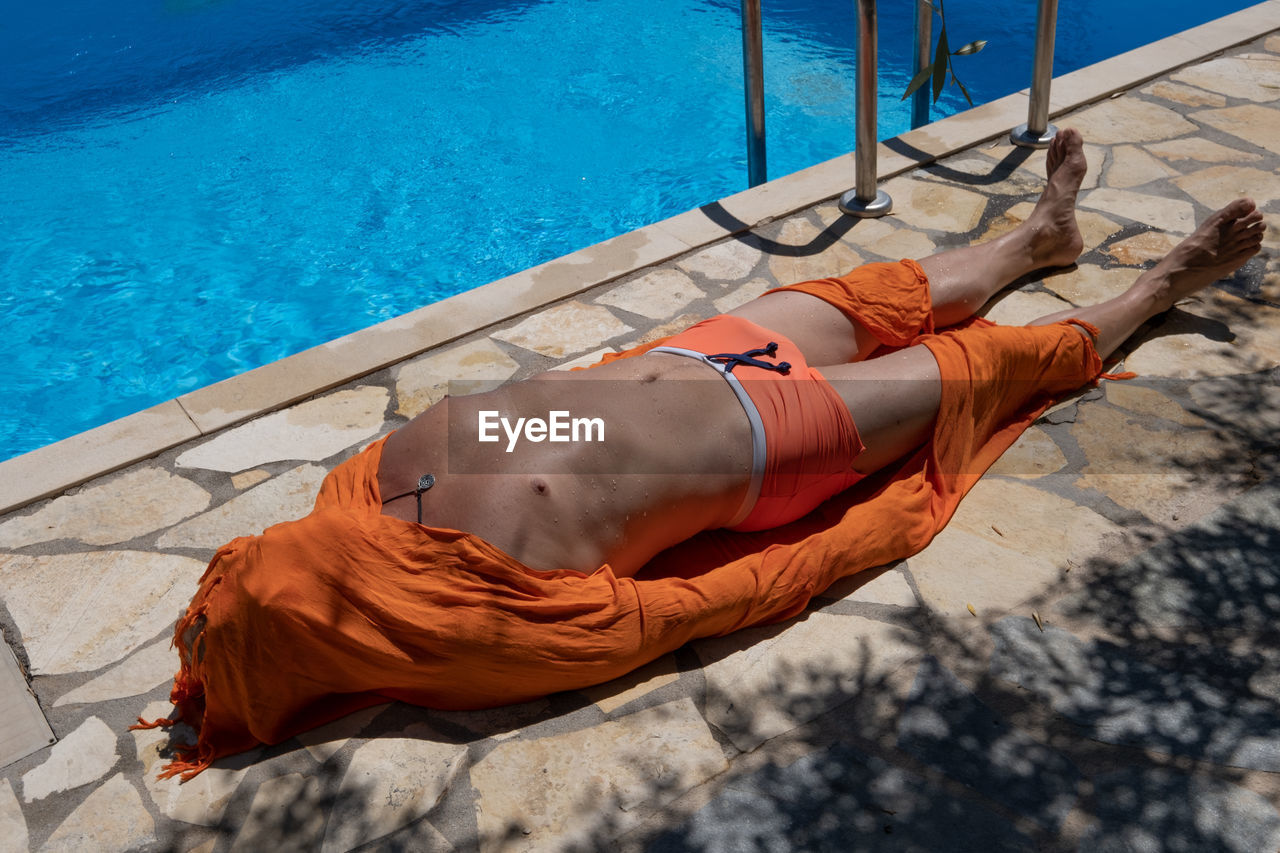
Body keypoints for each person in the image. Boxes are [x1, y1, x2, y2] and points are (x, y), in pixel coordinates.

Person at [150, 129, 1264, 779]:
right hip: (766, 444)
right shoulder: (482, 628)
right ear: (338, 622)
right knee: (978, 368)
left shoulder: (362, 490)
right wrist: (857, 529)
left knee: (864, 295)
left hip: (690, 361)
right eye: (262, 573)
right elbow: (707, 600)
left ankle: (1033, 238)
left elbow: (543, 415)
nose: (258, 550)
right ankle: (1158, 285)